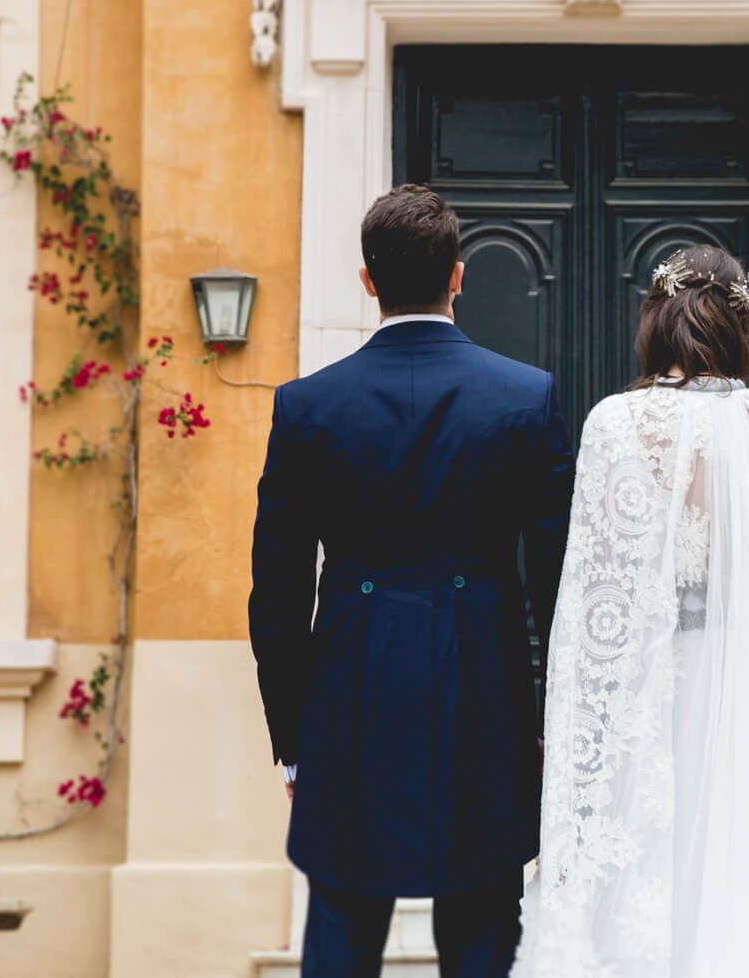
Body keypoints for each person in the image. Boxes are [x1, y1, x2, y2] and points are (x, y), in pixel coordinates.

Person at [511, 245, 749, 978]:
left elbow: (590, 601)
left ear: (655, 319)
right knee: (742, 879)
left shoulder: (615, 424)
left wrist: (572, 721)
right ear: (738, 326)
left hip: (650, 693)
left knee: (647, 878)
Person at [249, 184, 575, 978]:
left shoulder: (306, 406)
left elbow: (278, 591)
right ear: (459, 276)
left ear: (368, 281)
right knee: (485, 933)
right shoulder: (527, 398)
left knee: (342, 932)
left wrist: (294, 742)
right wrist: (555, 724)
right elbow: (564, 579)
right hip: (487, 699)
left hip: (349, 700)